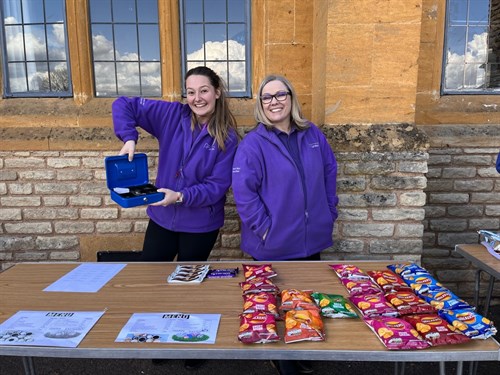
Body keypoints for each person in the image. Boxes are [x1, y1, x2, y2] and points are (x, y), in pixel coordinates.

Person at [112, 66, 239, 370]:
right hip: (162, 218)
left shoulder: (229, 138)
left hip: (200, 224)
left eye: (204, 90)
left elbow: (217, 187)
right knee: (153, 279)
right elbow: (123, 104)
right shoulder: (172, 115)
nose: (197, 98)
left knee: (189, 285)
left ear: (217, 92)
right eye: (191, 91)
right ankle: (158, 337)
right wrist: (129, 137)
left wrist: (181, 196)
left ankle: (193, 343)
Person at [231, 74, 339, 375]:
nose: (274, 101)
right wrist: (265, 229)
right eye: (267, 97)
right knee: (275, 305)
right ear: (261, 105)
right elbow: (243, 192)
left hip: (311, 238)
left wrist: (329, 210)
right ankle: (282, 359)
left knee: (305, 300)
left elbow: (330, 171)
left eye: (281, 95)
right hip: (273, 243)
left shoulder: (312, 134)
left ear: (291, 98)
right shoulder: (253, 143)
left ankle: (302, 348)